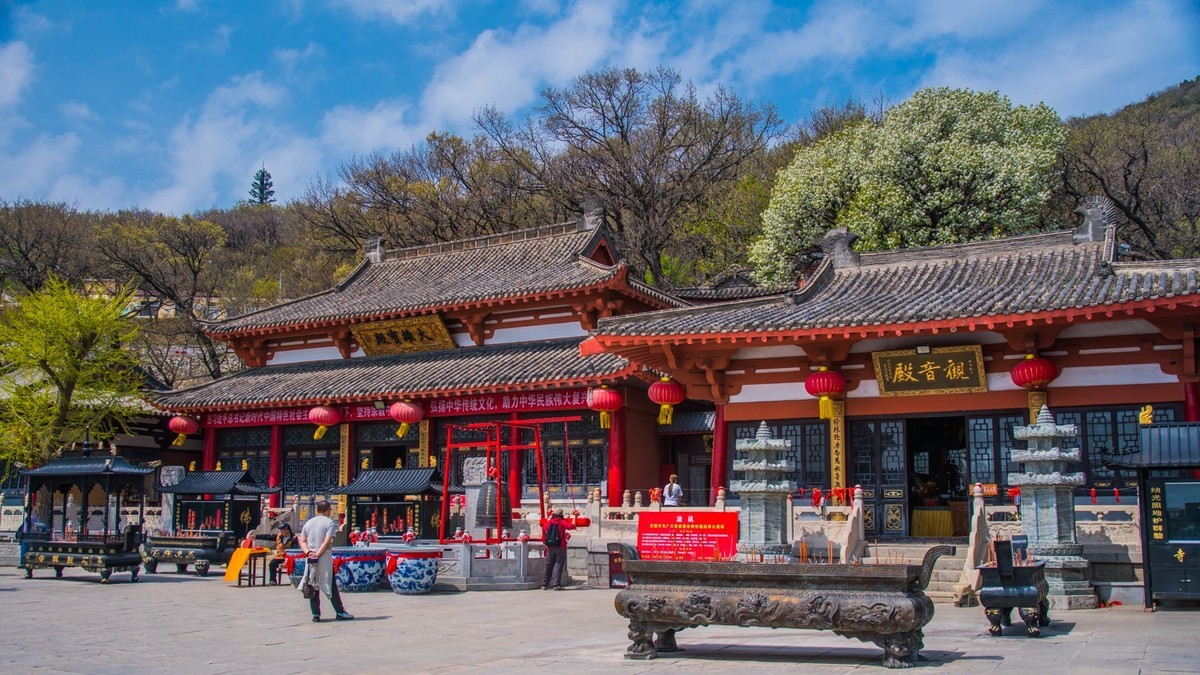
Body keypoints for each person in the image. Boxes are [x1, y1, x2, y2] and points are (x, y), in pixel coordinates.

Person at [299, 500, 353, 622]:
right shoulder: (329, 523)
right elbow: (327, 541)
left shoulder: (309, 522)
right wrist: (317, 554)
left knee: (313, 584)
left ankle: (315, 614)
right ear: (328, 509)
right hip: (323, 558)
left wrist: (309, 552)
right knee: (330, 584)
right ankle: (340, 611)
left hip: (310, 557)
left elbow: (302, 541)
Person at [540, 508, 576, 590]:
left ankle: (544, 584)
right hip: (560, 546)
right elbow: (572, 526)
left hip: (550, 547)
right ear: (561, 515)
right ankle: (556, 585)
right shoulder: (562, 522)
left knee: (548, 565)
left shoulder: (550, 522)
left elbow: (544, 528)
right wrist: (575, 517)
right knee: (558, 565)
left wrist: (549, 518)